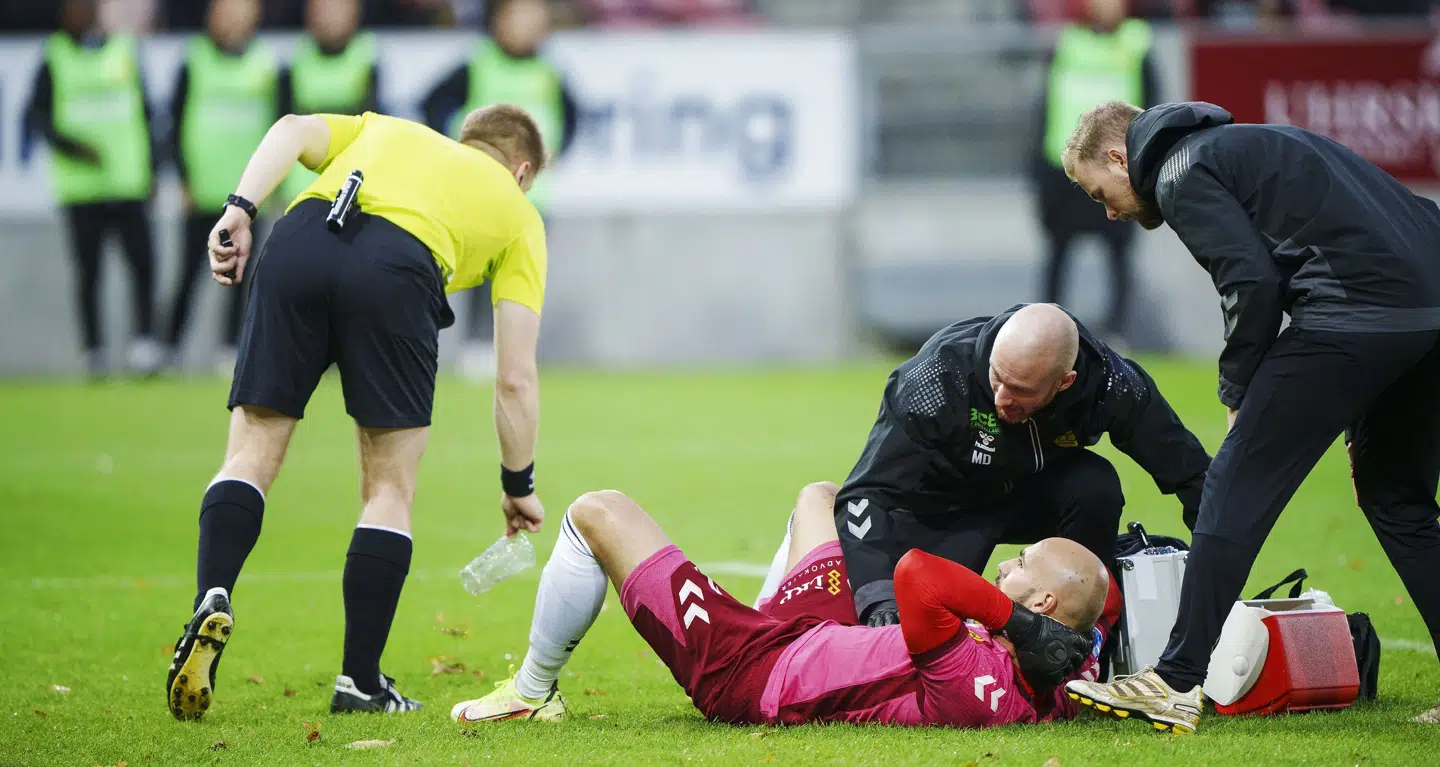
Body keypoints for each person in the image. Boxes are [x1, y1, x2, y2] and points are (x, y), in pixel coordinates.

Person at [1061, 100, 1440, 731]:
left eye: (1100, 192)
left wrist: (1238, 392)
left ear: (1118, 156)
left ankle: (1175, 681)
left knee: (1233, 484)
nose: (1108, 211)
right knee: (1396, 497)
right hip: (1427, 318)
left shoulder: (1181, 171)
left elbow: (1250, 284)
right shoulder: (1250, 143)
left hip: (1351, 314)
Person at [164, 103, 549, 720]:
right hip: (398, 273)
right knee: (388, 487)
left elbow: (289, 129)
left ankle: (214, 592)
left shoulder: (391, 130)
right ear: (522, 170)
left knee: (252, 449)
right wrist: (517, 484)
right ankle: (360, 682)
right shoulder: (520, 213)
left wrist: (239, 207)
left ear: (462, 140)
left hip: (299, 241)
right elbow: (514, 378)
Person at [450, 483, 1105, 726]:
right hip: (815, 635)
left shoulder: (972, 675)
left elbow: (917, 574)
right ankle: (768, 605)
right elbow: (1101, 605)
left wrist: (1013, 619)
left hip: (752, 670)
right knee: (822, 498)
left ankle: (531, 691)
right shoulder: (1068, 673)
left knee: (597, 511)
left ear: (1042, 601)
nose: (1004, 563)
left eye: (1021, 564)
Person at [812, 303, 1209, 636]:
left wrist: (1218, 564)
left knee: (1095, 485)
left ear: (1064, 382)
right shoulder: (935, 379)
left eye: (1021, 390)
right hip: (941, 506)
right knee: (923, 630)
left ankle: (1083, 643)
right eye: (997, 378)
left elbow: (1191, 473)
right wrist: (879, 598)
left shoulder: (1110, 386)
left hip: (1027, 495)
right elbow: (867, 494)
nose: (1002, 397)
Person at [421, 0, 577, 379]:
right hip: (483, 193)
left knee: (522, 276)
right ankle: (476, 346)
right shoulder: (478, 65)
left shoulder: (550, 73)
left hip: (533, 195)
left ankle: (514, 351)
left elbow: (573, 117)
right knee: (479, 272)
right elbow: (432, 103)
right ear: (499, 21)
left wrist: (557, 153)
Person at [22, 0, 160, 377]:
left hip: (128, 182)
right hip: (82, 188)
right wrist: (73, 148)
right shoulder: (55, 57)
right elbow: (37, 117)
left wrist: (151, 168)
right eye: (76, 9)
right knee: (89, 271)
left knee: (143, 265)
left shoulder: (124, 52)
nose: (84, 16)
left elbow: (147, 113)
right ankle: (94, 350)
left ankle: (144, 345)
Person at [1033, 0, 1156, 342]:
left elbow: (1154, 106)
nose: (1105, 3)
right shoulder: (1066, 43)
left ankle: (1117, 331)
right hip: (1062, 168)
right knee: (1058, 252)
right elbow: (1044, 106)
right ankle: (1047, 329)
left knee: (1118, 255)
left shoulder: (1137, 43)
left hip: (1118, 170)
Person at [165, 0, 280, 370]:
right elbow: (175, 121)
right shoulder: (194, 59)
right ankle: (168, 348)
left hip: (247, 194)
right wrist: (181, 176)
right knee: (190, 273)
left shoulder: (266, 63)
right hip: (201, 189)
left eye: (242, 5)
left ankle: (231, 350)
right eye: (227, 5)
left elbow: (279, 130)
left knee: (240, 275)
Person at [279, 0, 378, 205]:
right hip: (299, 187)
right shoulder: (294, 62)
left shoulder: (367, 60)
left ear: (354, 13)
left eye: (337, 9)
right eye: (323, 9)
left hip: (350, 184)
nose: (330, 17)